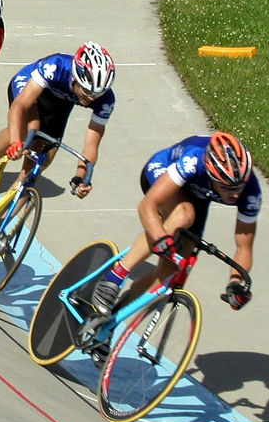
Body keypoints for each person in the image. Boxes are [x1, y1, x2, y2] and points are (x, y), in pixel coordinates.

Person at [89, 132, 258, 319]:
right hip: (164, 170)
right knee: (183, 214)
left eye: (239, 187)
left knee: (170, 269)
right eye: (226, 187)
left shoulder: (251, 192)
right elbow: (147, 206)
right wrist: (160, 237)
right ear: (211, 173)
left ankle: (110, 320)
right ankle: (113, 278)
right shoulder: (195, 159)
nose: (234, 194)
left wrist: (235, 283)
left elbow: (244, 247)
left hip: (198, 195)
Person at [0, 42, 117, 200]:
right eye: (86, 91)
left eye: (97, 94)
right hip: (29, 87)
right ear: (75, 77)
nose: (90, 98)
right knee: (28, 131)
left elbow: (91, 145)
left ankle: (1, 222)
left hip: (58, 105)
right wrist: (16, 142)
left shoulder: (106, 100)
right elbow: (20, 106)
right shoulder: (57, 66)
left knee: (36, 169)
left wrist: (80, 178)